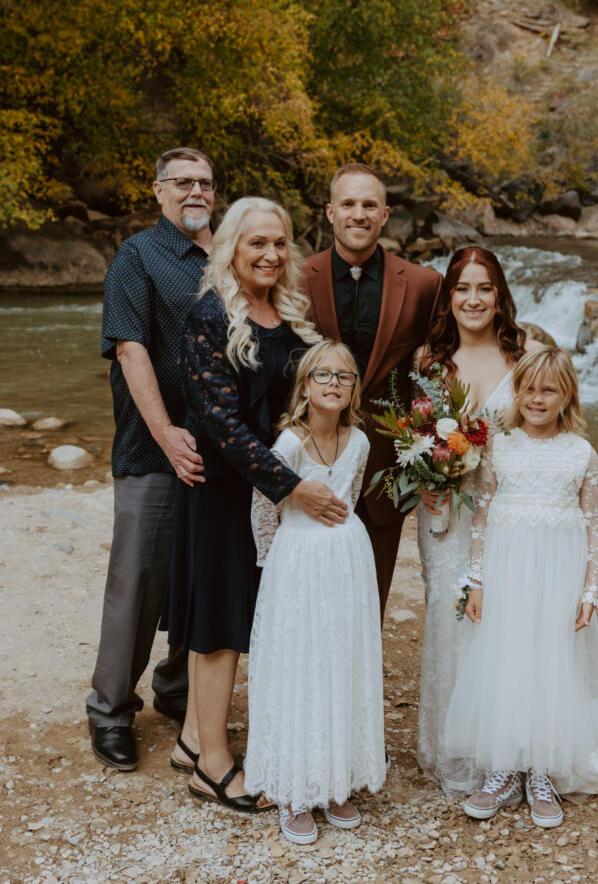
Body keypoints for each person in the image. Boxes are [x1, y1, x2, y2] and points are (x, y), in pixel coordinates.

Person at [162, 197, 348, 812]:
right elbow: (220, 425)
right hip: (221, 491)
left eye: (279, 244)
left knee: (240, 613)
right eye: (256, 244)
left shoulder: (291, 314)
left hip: (267, 492)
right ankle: (212, 768)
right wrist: (294, 487)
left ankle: (194, 739)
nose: (269, 255)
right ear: (231, 249)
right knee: (219, 624)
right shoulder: (208, 316)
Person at [446, 346, 598, 827]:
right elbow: (482, 517)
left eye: (548, 390)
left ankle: (542, 770)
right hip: (507, 570)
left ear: (566, 395)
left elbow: (594, 528)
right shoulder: (501, 444)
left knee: (549, 662)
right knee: (508, 659)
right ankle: (505, 768)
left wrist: (589, 592)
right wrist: (476, 583)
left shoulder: (581, 453)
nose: (537, 398)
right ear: (518, 392)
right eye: (529, 389)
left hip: (558, 574)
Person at [87, 147, 216, 772]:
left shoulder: (235, 254)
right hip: (153, 449)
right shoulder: (136, 256)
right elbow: (132, 352)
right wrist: (165, 433)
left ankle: (177, 688)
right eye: (183, 182)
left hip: (224, 452)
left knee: (206, 576)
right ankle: (110, 711)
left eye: (206, 183)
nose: (196, 191)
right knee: (137, 584)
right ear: (158, 190)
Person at [245, 340, 385, 844]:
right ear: (305, 385)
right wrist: (273, 566)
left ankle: (334, 779)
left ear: (354, 389)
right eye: (323, 375)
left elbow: (350, 493)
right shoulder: (289, 444)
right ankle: (293, 788)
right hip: (298, 561)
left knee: (339, 661)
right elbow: (264, 507)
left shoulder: (361, 442)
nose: (333, 384)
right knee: (301, 664)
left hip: (347, 561)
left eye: (344, 377)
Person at [415, 246, 542, 796]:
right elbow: (416, 438)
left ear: (499, 295)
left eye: (484, 288)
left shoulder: (527, 353)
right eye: (462, 288)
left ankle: (509, 750)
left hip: (511, 511)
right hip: (445, 513)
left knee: (506, 621)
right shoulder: (428, 362)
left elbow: (553, 427)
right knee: (451, 616)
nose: (472, 299)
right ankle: (458, 750)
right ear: (448, 296)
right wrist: (430, 476)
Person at [302, 163, 442, 622]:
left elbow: (444, 366)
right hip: (309, 463)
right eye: (348, 204)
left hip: (386, 468)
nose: (357, 214)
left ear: (384, 214)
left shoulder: (424, 285)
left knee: (368, 598)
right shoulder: (297, 278)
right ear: (330, 212)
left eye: (368, 205)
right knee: (304, 590)